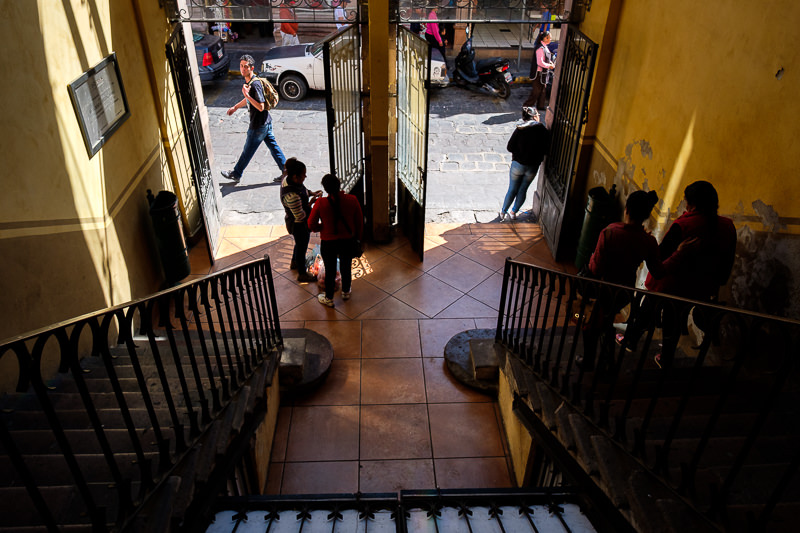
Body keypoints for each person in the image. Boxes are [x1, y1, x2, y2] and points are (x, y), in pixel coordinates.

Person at [624, 181, 737, 367]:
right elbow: (727, 261)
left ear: (691, 204)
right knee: (674, 321)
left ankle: (631, 339)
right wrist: (717, 283)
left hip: (670, 284)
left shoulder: (684, 225)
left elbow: (660, 256)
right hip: (701, 288)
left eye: (685, 200)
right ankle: (666, 357)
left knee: (648, 310)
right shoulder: (728, 227)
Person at [578, 190, 667, 370]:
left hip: (601, 288)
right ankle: (606, 362)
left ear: (626, 210)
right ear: (646, 215)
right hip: (623, 292)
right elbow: (658, 271)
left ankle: (589, 361)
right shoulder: (648, 241)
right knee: (606, 322)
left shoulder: (609, 232)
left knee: (592, 324)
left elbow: (595, 268)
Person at [221, 55, 286, 184]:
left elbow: (261, 106)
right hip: (266, 123)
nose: (243, 69)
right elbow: (249, 99)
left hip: (258, 125)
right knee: (274, 148)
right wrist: (235, 107)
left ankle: (236, 173)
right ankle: (287, 174)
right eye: (241, 66)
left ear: (252, 68)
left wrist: (247, 95)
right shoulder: (250, 82)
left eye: (246, 66)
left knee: (247, 151)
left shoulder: (255, 84)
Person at [308, 174, 364, 307]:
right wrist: (358, 238)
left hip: (329, 241)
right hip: (347, 240)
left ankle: (329, 298)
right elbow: (359, 222)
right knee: (346, 266)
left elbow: (311, 224)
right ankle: (345, 291)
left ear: (325, 189)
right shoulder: (352, 200)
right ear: (339, 185)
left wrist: (322, 227)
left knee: (330, 269)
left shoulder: (321, 203)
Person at [500, 107, 550, 221]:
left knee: (512, 189)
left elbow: (510, 147)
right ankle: (513, 212)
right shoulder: (543, 130)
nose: (539, 116)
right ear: (534, 116)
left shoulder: (520, 129)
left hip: (517, 165)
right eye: (537, 114)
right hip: (532, 166)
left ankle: (503, 212)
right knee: (523, 189)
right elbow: (546, 149)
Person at [280, 158, 322, 283]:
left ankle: (294, 262)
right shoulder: (291, 195)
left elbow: (303, 190)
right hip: (298, 225)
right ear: (295, 176)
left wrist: (311, 193)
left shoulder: (290, 181)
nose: (305, 176)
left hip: (297, 221)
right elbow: (300, 216)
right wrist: (312, 203)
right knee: (302, 246)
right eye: (303, 175)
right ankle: (302, 274)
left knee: (299, 245)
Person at [523, 31, 556, 110]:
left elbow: (546, 58)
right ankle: (527, 106)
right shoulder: (540, 48)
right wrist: (549, 65)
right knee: (536, 91)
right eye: (548, 38)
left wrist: (550, 62)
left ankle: (540, 106)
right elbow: (540, 62)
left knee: (543, 90)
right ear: (544, 38)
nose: (550, 39)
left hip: (543, 73)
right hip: (538, 74)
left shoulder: (545, 47)